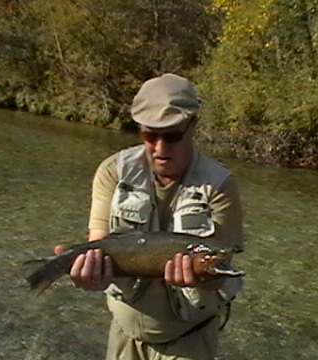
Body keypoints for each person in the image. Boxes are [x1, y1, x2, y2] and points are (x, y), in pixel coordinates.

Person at [55, 73, 244, 360]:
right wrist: (88, 277)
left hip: (189, 339)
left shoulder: (219, 185)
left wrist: (200, 279)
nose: (159, 148)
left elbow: (221, 271)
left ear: (192, 127)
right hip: (125, 334)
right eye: (149, 135)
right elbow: (101, 247)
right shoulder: (113, 172)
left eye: (171, 136)